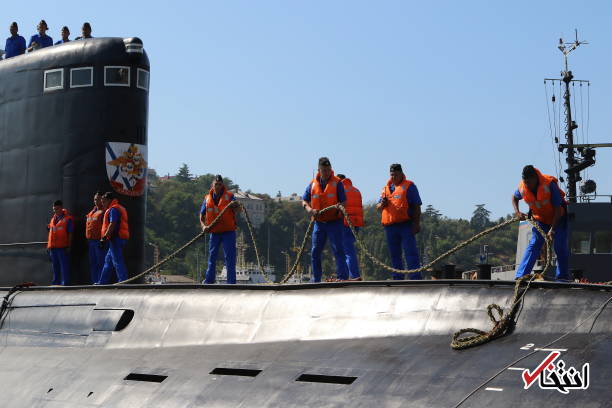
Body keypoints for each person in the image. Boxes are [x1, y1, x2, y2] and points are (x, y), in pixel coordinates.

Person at [512, 165, 570, 281]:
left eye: (529, 182)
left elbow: (558, 210)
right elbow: (514, 197)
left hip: (558, 219)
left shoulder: (549, 185)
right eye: (525, 181)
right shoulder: (523, 187)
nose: (527, 185)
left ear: (535, 178)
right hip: (541, 220)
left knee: (560, 246)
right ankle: (521, 276)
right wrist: (517, 212)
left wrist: (552, 230)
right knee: (534, 244)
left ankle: (562, 277)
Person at [302, 157, 349, 282]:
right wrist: (310, 210)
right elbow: (304, 200)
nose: (327, 173)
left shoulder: (337, 182)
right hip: (319, 223)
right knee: (315, 251)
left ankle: (342, 277)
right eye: (324, 170)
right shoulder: (312, 184)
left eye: (328, 170)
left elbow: (344, 201)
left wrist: (340, 206)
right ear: (319, 170)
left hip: (334, 222)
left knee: (338, 250)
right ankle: (316, 279)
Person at [377, 163, 422, 280]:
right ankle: (397, 277)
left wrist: (416, 224)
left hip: (405, 225)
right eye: (392, 175)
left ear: (401, 173)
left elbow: (417, 206)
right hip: (390, 227)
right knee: (394, 254)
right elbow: (378, 206)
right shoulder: (385, 189)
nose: (394, 177)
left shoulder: (409, 186)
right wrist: (382, 204)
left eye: (396, 174)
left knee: (410, 252)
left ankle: (415, 277)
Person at [199, 175, 241, 284]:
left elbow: (239, 210)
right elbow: (202, 215)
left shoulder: (230, 196)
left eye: (219, 184)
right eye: (216, 184)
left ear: (222, 185)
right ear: (212, 185)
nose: (217, 186)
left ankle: (231, 282)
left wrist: (236, 206)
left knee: (230, 258)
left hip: (228, 231)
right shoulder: (207, 198)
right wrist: (203, 226)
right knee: (212, 257)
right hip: (214, 232)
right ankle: (209, 280)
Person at [97, 192, 130, 284]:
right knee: (108, 262)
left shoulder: (113, 210)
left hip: (116, 239)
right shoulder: (118, 208)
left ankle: (123, 281)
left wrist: (104, 237)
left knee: (117, 260)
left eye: (103, 202)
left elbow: (112, 224)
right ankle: (102, 282)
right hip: (117, 238)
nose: (102, 204)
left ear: (108, 200)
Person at [337, 174, 363, 280]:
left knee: (347, 251)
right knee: (349, 249)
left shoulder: (339, 190)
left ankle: (354, 275)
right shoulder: (356, 190)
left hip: (344, 223)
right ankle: (348, 275)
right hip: (355, 224)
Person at [47, 200, 72, 285]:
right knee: (55, 266)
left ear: (61, 208)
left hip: (62, 247)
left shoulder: (67, 219)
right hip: (53, 248)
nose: (55, 211)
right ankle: (56, 282)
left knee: (64, 266)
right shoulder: (53, 219)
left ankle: (65, 282)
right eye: (54, 209)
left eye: (57, 209)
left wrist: (69, 245)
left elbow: (70, 233)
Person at [85, 192, 106, 284]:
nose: (95, 201)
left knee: (100, 262)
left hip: (99, 241)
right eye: (95, 199)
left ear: (102, 200)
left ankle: (101, 281)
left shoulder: (104, 211)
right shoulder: (91, 213)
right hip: (91, 241)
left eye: (98, 199)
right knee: (93, 263)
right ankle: (95, 281)